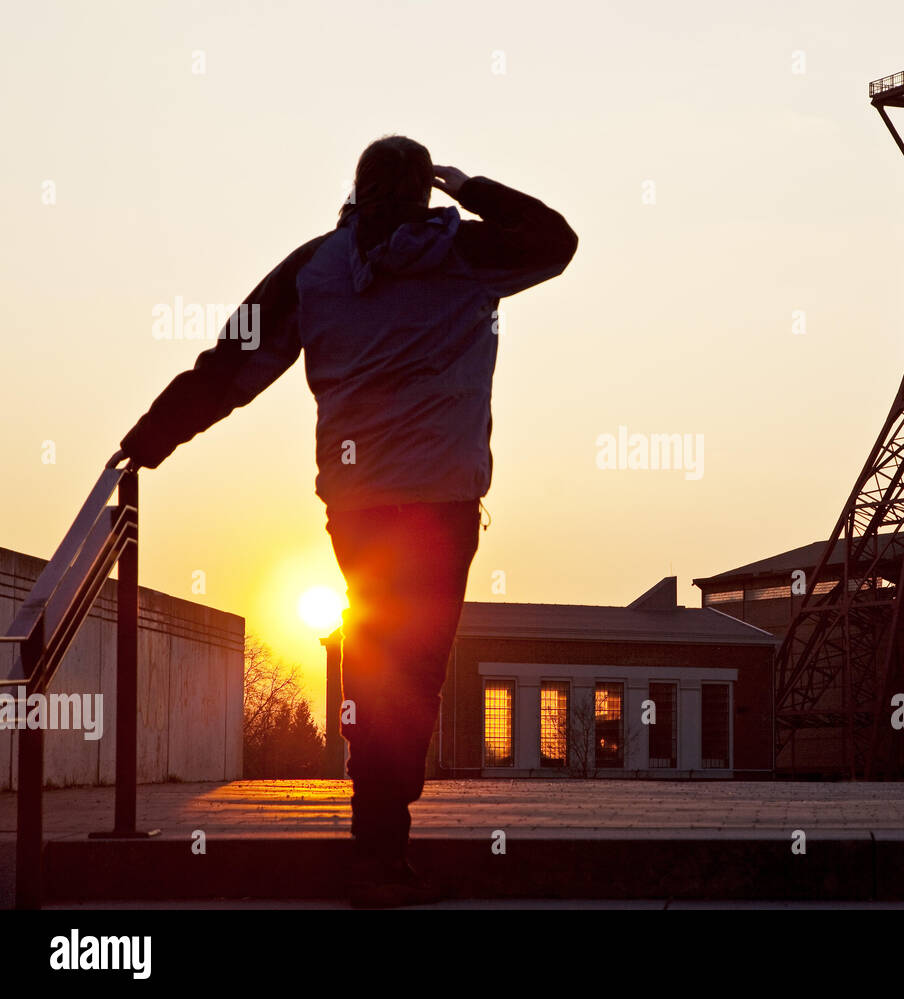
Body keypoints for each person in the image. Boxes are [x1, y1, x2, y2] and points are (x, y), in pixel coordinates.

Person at [111, 135, 578, 906]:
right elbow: (557, 242)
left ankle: (378, 842)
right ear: (425, 193)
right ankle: (380, 850)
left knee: (379, 660)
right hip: (440, 507)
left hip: (358, 508)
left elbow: (228, 367)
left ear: (355, 193)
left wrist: (148, 440)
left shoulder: (317, 268)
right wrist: (472, 187)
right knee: (412, 671)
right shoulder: (464, 252)